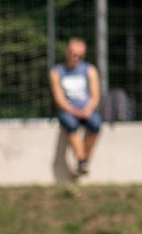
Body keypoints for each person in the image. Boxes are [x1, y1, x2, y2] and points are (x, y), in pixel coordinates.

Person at [50, 38, 103, 176]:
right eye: (74, 54)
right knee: (70, 124)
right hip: (68, 110)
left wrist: (87, 109)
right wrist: (73, 111)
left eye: (80, 55)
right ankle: (82, 159)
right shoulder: (57, 72)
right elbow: (59, 99)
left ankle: (82, 160)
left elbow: (95, 96)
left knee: (95, 124)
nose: (76, 58)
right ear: (68, 53)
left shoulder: (90, 70)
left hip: (87, 109)